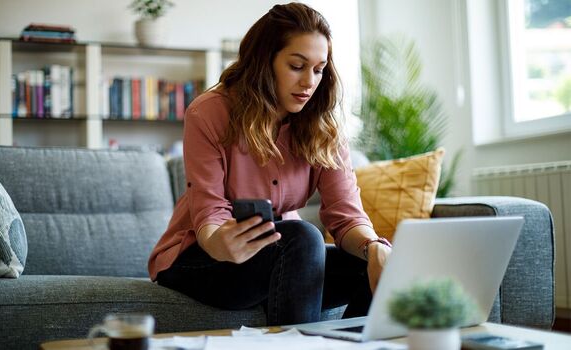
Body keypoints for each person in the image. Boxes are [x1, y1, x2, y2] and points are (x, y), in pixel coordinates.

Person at [148, 2, 392, 326]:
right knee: (304, 238)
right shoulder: (209, 113)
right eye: (297, 65)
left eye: (318, 69)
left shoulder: (324, 127)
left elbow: (346, 216)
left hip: (285, 256)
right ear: (266, 60)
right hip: (202, 256)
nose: (309, 81)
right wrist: (218, 241)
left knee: (373, 263)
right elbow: (209, 211)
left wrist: (372, 248)